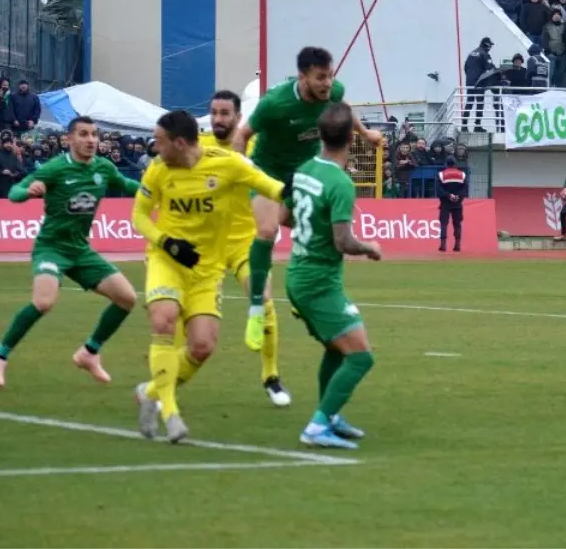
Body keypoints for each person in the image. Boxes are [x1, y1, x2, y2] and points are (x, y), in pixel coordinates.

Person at [133, 110, 286, 443]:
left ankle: (151, 393)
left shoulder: (226, 163)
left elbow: (271, 187)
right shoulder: (157, 171)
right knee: (164, 321)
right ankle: (171, 415)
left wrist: (310, 196)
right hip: (167, 260)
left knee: (201, 346)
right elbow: (139, 216)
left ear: (180, 142)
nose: (154, 149)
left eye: (160, 142)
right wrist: (166, 242)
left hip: (207, 270)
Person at [232, 47, 384, 354]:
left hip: (303, 171)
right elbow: (242, 134)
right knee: (267, 229)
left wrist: (365, 133)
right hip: (268, 170)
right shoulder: (275, 103)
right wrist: (242, 169)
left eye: (329, 76)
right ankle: (256, 310)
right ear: (302, 77)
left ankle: (302, 298)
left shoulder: (333, 90)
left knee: (319, 231)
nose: (327, 83)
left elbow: (343, 106)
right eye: (320, 77)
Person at [0, 116, 141, 388]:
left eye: (94, 134)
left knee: (127, 298)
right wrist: (27, 191)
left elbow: (127, 186)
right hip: (52, 249)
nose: (90, 139)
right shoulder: (55, 169)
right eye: (83, 134)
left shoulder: (103, 167)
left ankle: (89, 353)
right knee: (44, 301)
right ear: (69, 139)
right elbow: (13, 192)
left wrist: (160, 192)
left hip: (81, 250)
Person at [284, 102, 382, 449]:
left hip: (297, 272)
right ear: (352, 139)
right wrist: (368, 247)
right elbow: (343, 242)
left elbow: (285, 216)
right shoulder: (340, 183)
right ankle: (318, 426)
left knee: (335, 347)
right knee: (361, 356)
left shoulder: (306, 168)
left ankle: (332, 414)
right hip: (317, 282)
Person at [200, 90, 290, 407]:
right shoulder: (198, 148)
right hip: (205, 246)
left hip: (244, 243)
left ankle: (271, 376)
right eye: (214, 112)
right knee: (184, 319)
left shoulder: (256, 150)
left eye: (225, 113)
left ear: (239, 118)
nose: (218, 119)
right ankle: (162, 383)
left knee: (265, 302)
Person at [436, 155, 467, 252]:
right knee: (457, 224)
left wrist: (449, 195)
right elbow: (465, 189)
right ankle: (457, 245)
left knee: (444, 224)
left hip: (445, 203)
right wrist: (458, 196)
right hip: (457, 203)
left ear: (446, 163)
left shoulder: (441, 174)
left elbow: (439, 190)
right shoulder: (462, 174)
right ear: (455, 163)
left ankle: (443, 245)